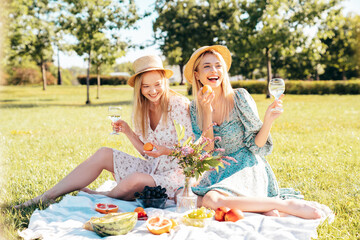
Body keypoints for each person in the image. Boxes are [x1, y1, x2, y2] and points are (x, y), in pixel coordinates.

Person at [15, 55, 193, 208]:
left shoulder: (177, 104)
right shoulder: (141, 110)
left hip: (177, 175)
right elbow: (147, 154)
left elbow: (193, 152)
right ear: (139, 87)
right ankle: (48, 196)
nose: (152, 91)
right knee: (103, 153)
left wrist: (166, 151)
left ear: (165, 81)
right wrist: (128, 131)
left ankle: (100, 196)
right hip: (154, 169)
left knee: (136, 180)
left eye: (157, 84)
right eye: (146, 86)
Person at [183, 45, 326, 219]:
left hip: (246, 164)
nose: (214, 70)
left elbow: (257, 145)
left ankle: (284, 205)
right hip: (220, 169)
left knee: (210, 200)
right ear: (197, 74)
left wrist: (268, 120)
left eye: (218, 65)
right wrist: (206, 111)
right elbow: (209, 150)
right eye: (207, 66)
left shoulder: (239, 97)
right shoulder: (194, 108)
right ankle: (263, 207)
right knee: (195, 199)